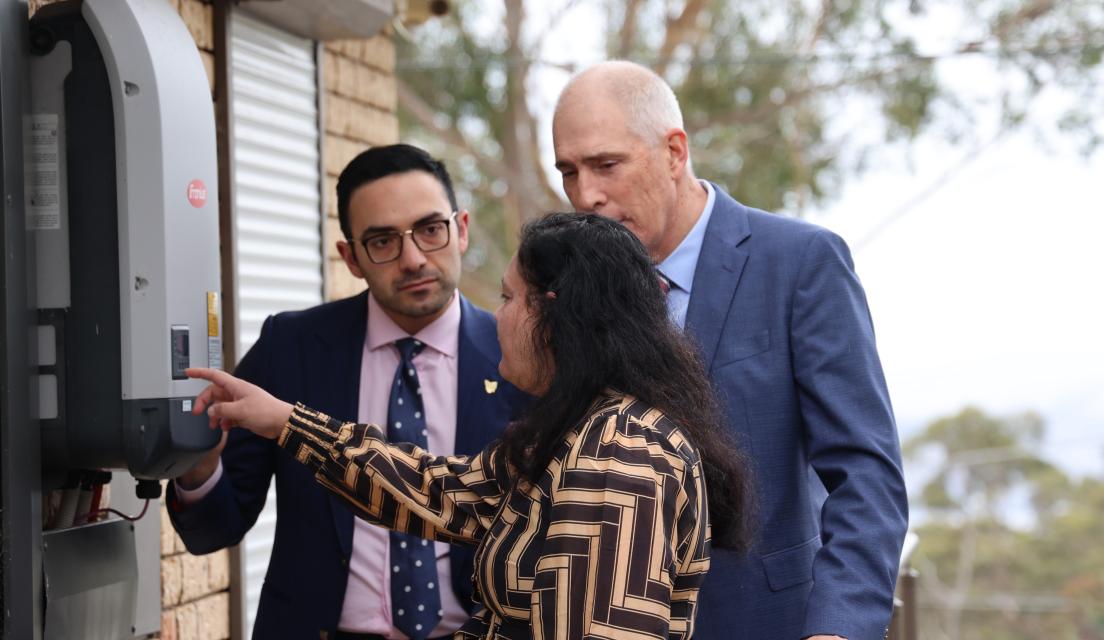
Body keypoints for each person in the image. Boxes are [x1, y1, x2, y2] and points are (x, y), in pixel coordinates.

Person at [186, 212, 752, 640]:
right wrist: (285, 421)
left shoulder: (619, 454)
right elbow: (442, 490)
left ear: (552, 318)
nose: (495, 314)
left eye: (509, 298)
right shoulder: (577, 431)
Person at [550, 60, 909, 640]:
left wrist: (838, 629)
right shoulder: (573, 290)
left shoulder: (800, 263)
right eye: (568, 171)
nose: (585, 193)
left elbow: (866, 473)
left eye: (606, 165)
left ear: (674, 152)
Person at [166, 145, 528, 639]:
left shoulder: (523, 358)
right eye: (382, 241)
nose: (413, 259)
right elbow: (214, 529)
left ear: (461, 229)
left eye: (430, 229)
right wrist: (200, 469)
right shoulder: (291, 348)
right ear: (351, 257)